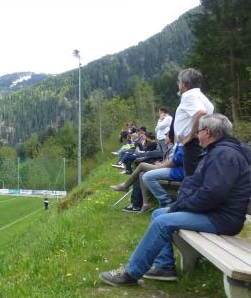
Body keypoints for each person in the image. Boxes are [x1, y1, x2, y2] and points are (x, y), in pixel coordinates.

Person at [99, 114, 251, 286]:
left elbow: (212, 195)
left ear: (208, 133)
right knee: (158, 214)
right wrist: (181, 204)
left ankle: (130, 273)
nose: (196, 135)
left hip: (221, 218)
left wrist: (181, 205)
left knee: (163, 222)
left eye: (198, 132)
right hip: (216, 213)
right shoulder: (220, 151)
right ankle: (164, 267)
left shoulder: (224, 155)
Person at [174, 68, 214, 176]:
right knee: (200, 176)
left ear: (185, 84)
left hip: (192, 144)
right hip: (201, 141)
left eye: (179, 82)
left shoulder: (189, 95)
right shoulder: (200, 96)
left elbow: (201, 112)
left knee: (191, 179)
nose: (178, 84)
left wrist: (191, 135)